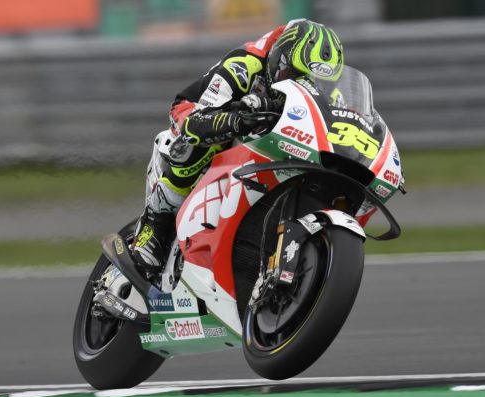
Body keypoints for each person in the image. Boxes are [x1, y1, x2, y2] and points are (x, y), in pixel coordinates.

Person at [131, 19, 345, 278]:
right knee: (207, 137)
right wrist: (237, 120)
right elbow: (197, 120)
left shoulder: (332, 95)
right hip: (198, 112)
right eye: (294, 76)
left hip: (266, 133)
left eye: (313, 82)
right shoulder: (245, 64)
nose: (303, 86)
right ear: (279, 59)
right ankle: (156, 220)